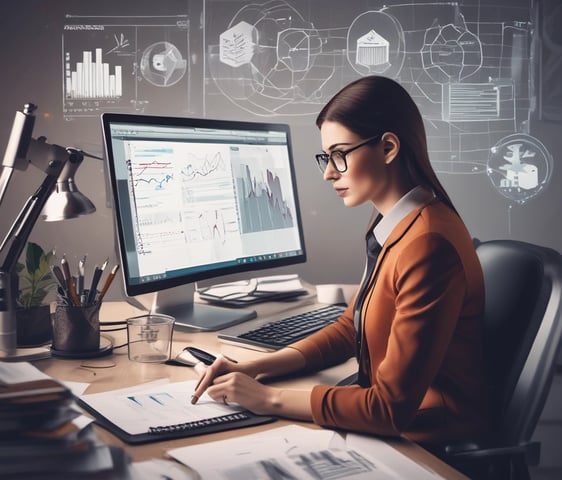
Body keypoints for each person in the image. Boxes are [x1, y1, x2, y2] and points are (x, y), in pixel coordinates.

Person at [191, 75, 489, 447]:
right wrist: (254, 368)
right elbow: (352, 328)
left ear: (388, 148)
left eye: (339, 155)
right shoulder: (394, 223)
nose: (329, 172)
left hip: (425, 443)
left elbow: (389, 409)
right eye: (327, 157)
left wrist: (267, 399)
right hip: (391, 423)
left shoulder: (427, 244)